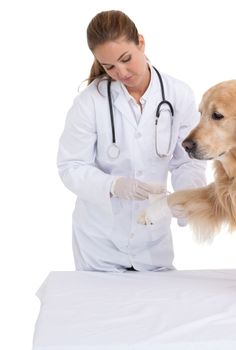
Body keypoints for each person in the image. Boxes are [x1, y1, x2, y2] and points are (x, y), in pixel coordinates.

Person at [57, 10, 206, 272]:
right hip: (99, 244)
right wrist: (114, 185)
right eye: (109, 66)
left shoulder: (178, 95)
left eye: (126, 59)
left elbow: (187, 162)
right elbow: (70, 166)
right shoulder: (90, 102)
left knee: (159, 310)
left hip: (152, 242)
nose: (121, 72)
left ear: (141, 42)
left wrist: (187, 197)